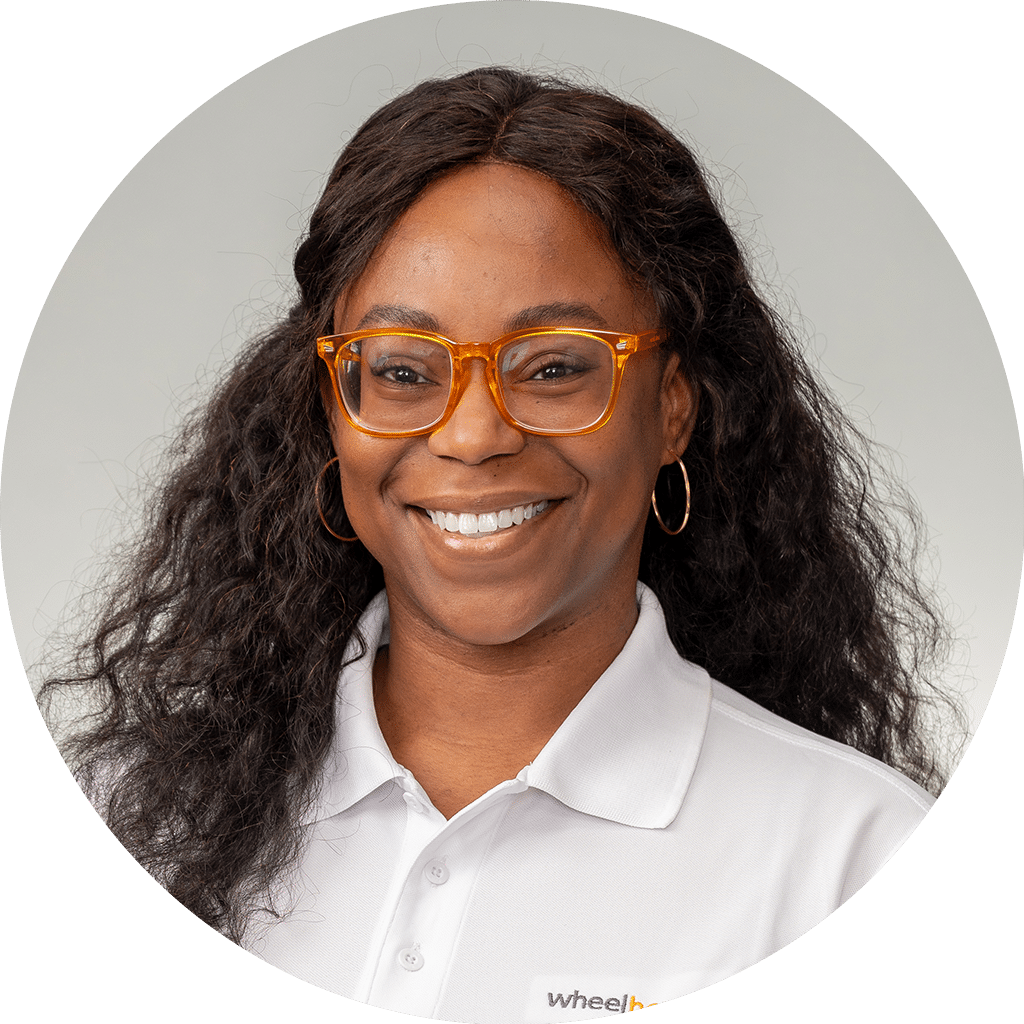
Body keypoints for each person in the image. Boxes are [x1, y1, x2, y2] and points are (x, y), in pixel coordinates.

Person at [40, 67, 956, 1021]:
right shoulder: (128, 820)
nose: (473, 435)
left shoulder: (859, 863)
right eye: (400, 369)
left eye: (556, 367)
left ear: (672, 409)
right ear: (332, 417)